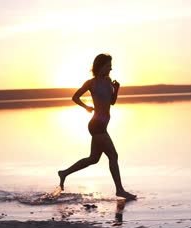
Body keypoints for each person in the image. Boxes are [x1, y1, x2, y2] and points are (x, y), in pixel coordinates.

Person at [58, 54, 137, 201]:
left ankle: (64, 173)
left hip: (103, 124)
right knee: (113, 156)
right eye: (108, 65)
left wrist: (116, 89)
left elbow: (111, 102)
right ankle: (120, 190)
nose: (111, 68)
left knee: (93, 159)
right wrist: (86, 107)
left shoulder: (108, 81)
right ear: (100, 65)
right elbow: (75, 97)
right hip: (97, 125)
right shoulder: (91, 83)